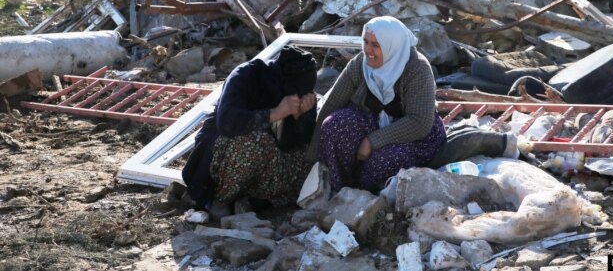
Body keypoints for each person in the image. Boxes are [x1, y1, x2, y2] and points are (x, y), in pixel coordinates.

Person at [306, 16, 447, 192]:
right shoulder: (360, 64)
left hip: (414, 135)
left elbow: (419, 122)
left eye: (375, 45)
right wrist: (312, 155)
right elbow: (332, 104)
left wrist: (372, 141)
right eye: (366, 42)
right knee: (334, 125)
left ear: (391, 47)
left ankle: (366, 195)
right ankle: (343, 190)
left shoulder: (417, 69)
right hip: (373, 121)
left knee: (381, 162)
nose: (368, 50)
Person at [182, 45, 318, 213]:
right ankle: (219, 199)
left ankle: (253, 202)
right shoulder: (247, 75)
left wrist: (299, 117)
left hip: (270, 161)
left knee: (311, 158)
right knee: (257, 142)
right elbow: (226, 122)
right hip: (221, 151)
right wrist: (275, 113)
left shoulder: (304, 93)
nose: (300, 97)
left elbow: (298, 142)